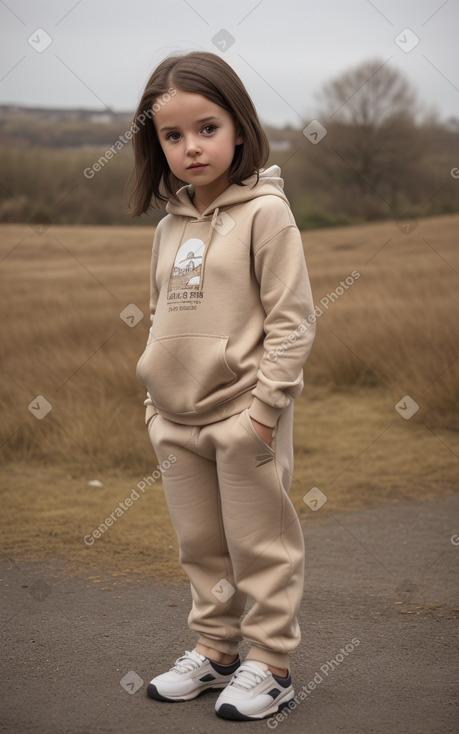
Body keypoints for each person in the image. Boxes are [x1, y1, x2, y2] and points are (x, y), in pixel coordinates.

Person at [130, 51, 315, 722]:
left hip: (243, 419)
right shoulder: (167, 227)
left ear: (239, 126)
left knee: (260, 547)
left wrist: (262, 415)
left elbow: (292, 323)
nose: (190, 147)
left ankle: (270, 667)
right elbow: (160, 320)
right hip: (174, 421)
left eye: (206, 128)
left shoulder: (267, 214)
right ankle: (216, 653)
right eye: (172, 136)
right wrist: (155, 406)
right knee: (202, 547)